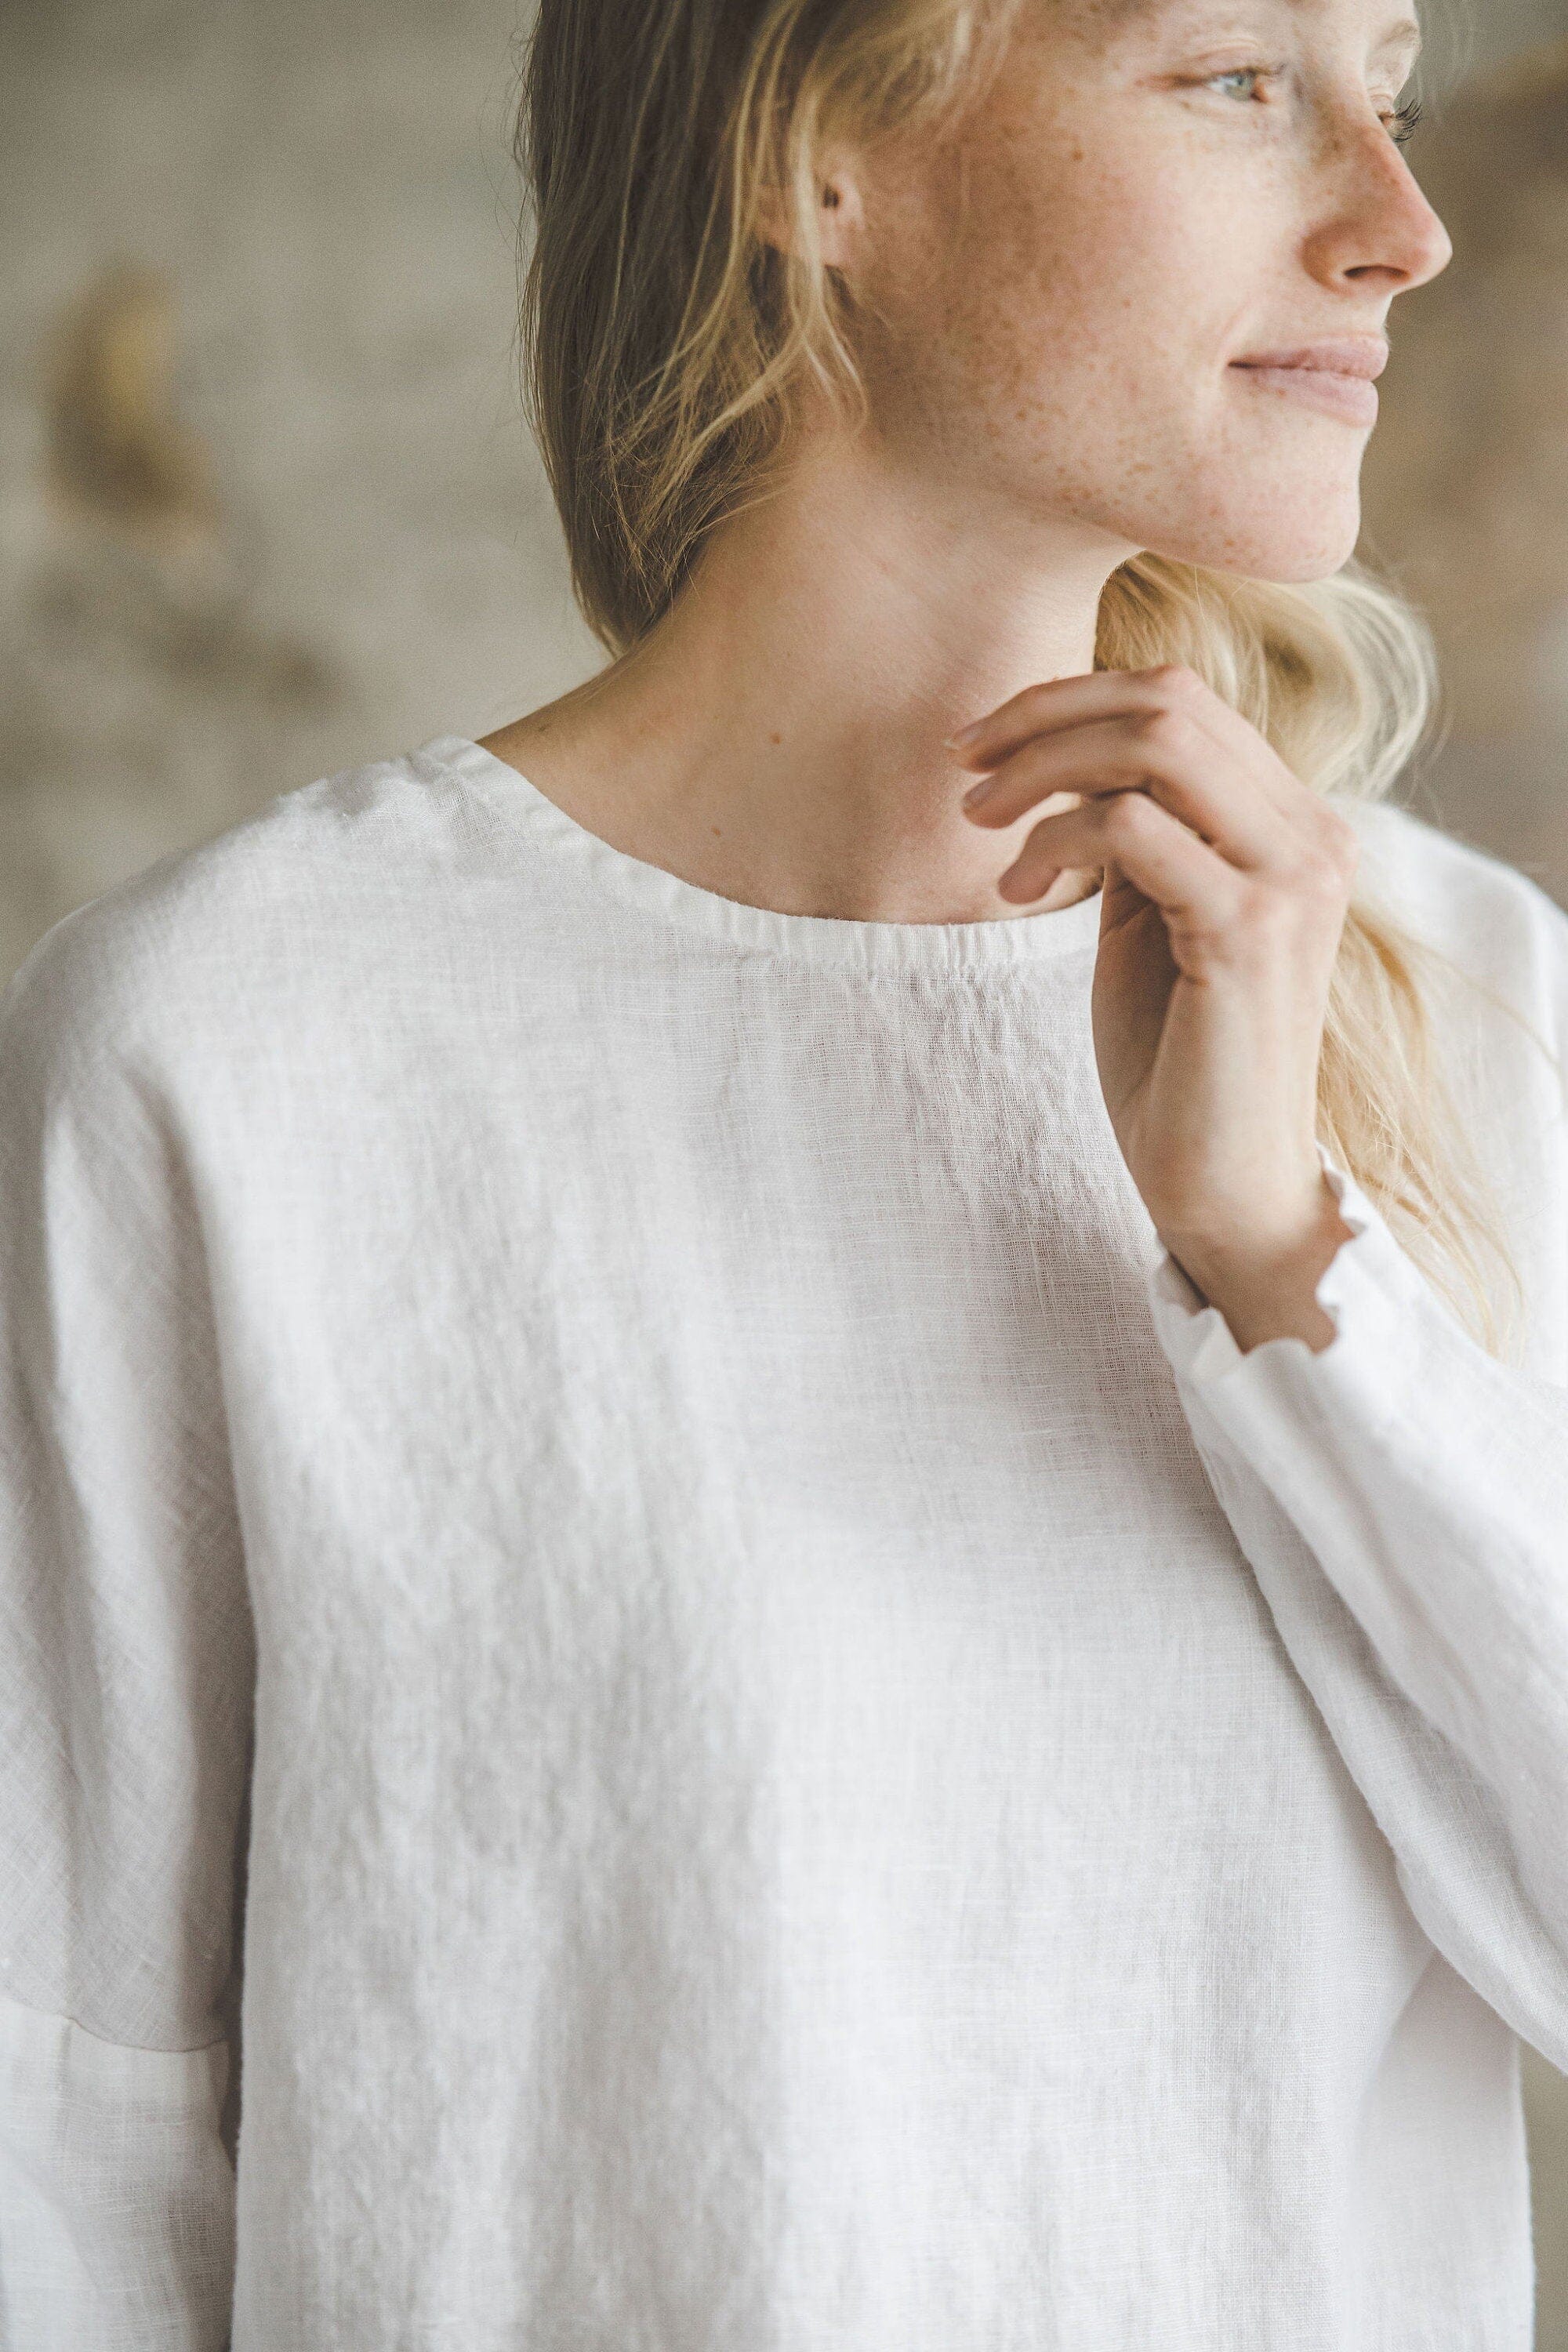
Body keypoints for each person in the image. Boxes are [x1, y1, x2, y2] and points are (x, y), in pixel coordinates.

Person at [2, 0, 1566, 2346]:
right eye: (1244, 79)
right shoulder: (231, 1052)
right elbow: (73, 2151)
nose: (1402, 221)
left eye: (1398, 85)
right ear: (819, 161)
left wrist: (1282, 1260)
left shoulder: (1464, 1002)